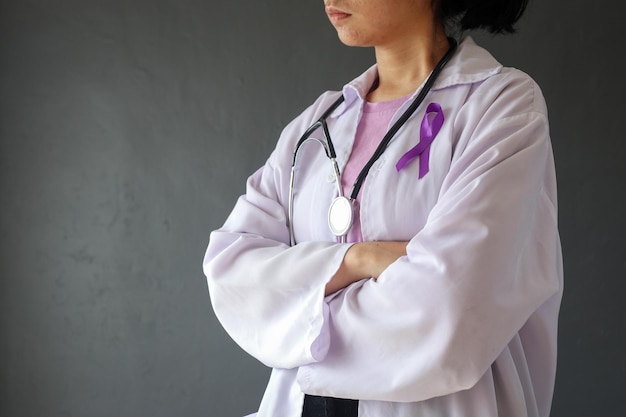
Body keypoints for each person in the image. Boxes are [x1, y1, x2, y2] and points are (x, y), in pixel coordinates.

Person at [203, 0, 563, 416]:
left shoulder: (502, 106)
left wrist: (301, 313)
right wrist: (361, 259)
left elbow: (451, 313)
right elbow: (230, 274)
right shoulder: (315, 125)